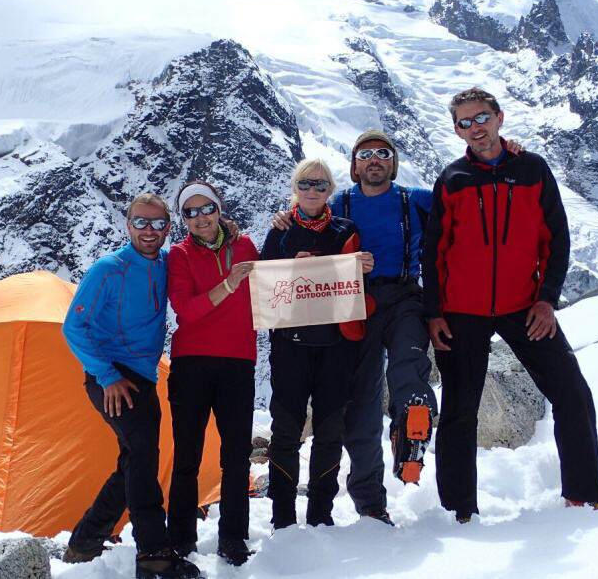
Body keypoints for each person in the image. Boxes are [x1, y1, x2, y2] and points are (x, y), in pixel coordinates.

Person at [423, 87, 598, 523]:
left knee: (572, 392)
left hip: (525, 306)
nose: (475, 128)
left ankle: (584, 493)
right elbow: (434, 250)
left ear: (499, 118)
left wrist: (546, 299)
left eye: (482, 117)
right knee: (459, 410)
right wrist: (434, 311)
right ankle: (459, 511)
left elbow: (556, 238)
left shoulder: (532, 169)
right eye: (464, 122)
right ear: (456, 130)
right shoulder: (453, 179)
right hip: (462, 312)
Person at [273, 131, 438, 526]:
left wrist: (507, 154)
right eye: (365, 154)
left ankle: (412, 421)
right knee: (361, 405)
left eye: (382, 153)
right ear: (354, 165)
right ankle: (370, 502)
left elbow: (465, 205)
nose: (374, 159)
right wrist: (284, 217)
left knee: (408, 359)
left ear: (393, 163)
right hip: (353, 303)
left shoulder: (417, 200)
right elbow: (307, 216)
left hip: (403, 296)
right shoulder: (338, 205)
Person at [61, 193, 201, 579]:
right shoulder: (108, 269)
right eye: (141, 222)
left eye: (158, 223)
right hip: (113, 377)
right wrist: (107, 377)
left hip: (142, 376)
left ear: (168, 228)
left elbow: (201, 249)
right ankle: (154, 555)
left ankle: (85, 541)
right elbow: (73, 327)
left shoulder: (166, 263)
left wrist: (230, 230)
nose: (149, 231)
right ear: (128, 225)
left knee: (132, 462)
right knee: (142, 458)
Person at [261, 158, 374, 529]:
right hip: (290, 346)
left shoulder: (346, 230)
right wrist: (291, 266)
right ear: (295, 188)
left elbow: (357, 289)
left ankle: (321, 514)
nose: (313, 190)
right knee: (285, 429)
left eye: (320, 184)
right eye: (306, 184)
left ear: (331, 190)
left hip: (336, 347)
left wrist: (363, 266)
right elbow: (264, 284)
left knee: (329, 430)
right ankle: (282, 515)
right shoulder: (280, 231)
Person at [166, 180, 259, 566]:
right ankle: (180, 539)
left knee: (237, 456)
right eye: (191, 212)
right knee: (187, 455)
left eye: (207, 209)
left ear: (219, 210)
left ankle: (233, 539)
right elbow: (186, 311)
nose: (201, 217)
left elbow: (273, 288)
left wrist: (304, 263)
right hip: (191, 363)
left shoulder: (245, 246)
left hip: (239, 360)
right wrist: (229, 284)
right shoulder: (179, 255)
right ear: (184, 219)